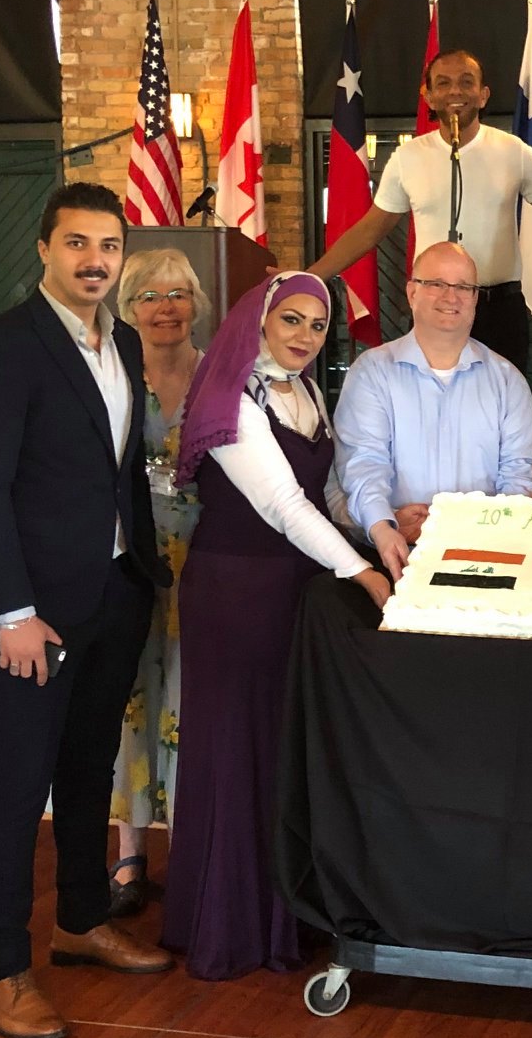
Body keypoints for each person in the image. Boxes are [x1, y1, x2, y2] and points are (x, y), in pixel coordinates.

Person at [0, 183, 174, 1038]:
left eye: (108, 246)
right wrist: (11, 611)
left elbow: (115, 473)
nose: (94, 260)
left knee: (88, 768)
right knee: (17, 785)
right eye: (77, 243)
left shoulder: (123, 340)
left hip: (113, 592)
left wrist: (142, 573)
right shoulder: (2, 344)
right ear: (44, 248)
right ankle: (1, 968)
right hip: (31, 611)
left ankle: (80, 921)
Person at [164, 272, 391, 980]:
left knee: (280, 747)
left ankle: (282, 913)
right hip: (236, 591)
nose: (305, 336)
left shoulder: (308, 394)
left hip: (296, 589)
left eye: (318, 325)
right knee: (237, 748)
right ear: (258, 321)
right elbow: (285, 507)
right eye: (291, 319)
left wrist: (384, 528)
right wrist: (364, 573)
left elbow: (328, 496)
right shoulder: (232, 397)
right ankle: (228, 925)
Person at [307, 49, 532, 370]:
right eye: (443, 83)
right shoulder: (408, 157)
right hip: (432, 305)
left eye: (466, 82)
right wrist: (311, 276)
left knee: (503, 396)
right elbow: (370, 229)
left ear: (483, 95)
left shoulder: (514, 152)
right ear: (428, 96)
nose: (455, 91)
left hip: (498, 308)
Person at [334, 242, 532, 581]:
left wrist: (487, 535)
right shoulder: (372, 372)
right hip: (393, 554)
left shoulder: (507, 380)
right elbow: (364, 464)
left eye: (463, 287)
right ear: (412, 292)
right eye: (436, 284)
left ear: (475, 298)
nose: (451, 296)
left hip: (483, 558)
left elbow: (517, 474)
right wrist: (384, 526)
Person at [106, 248, 208, 917]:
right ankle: (129, 851)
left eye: (178, 293)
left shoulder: (222, 376)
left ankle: (193, 846)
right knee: (132, 696)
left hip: (206, 557)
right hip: (130, 558)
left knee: (192, 697)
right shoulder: (111, 377)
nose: (166, 307)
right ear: (128, 308)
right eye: (149, 296)